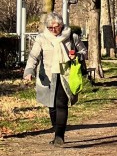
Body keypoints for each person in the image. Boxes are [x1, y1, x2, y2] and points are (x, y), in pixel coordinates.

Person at [23, 13, 87, 147]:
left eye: (56, 27)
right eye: (50, 28)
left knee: (61, 104)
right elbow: (34, 56)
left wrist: (77, 55)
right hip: (47, 75)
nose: (53, 30)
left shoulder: (71, 36)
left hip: (66, 75)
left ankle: (59, 136)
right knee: (51, 105)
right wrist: (29, 71)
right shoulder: (41, 38)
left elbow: (84, 52)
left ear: (61, 25)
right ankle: (56, 129)